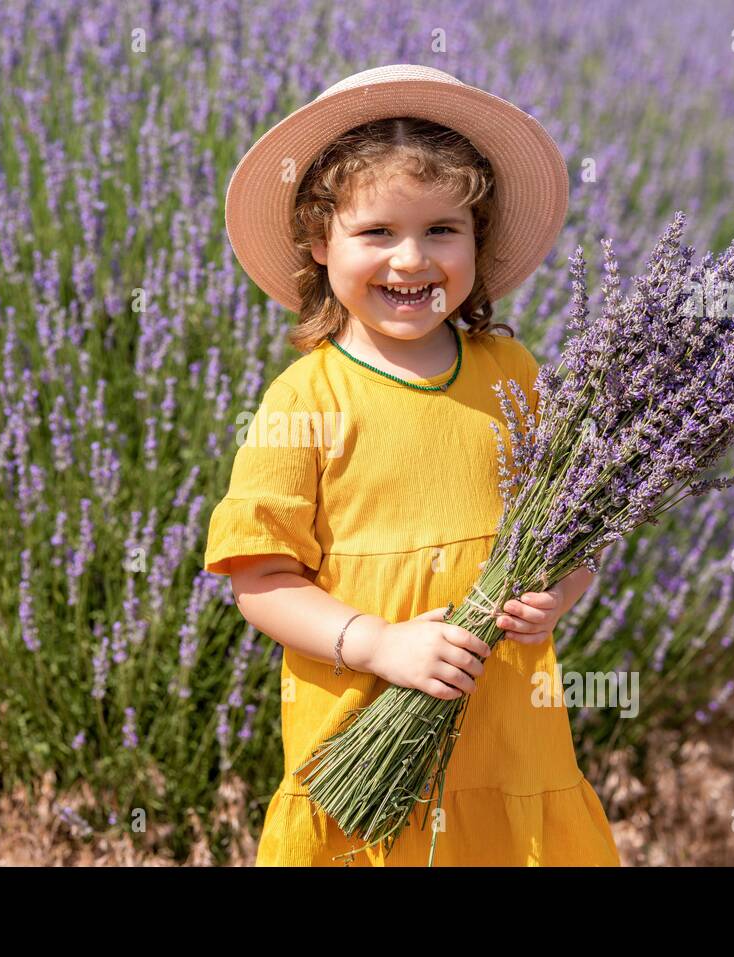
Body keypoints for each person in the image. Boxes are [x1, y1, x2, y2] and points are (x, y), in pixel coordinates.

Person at [205, 64, 621, 867]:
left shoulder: (513, 373)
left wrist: (559, 593)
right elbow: (259, 579)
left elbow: (574, 535)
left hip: (506, 746)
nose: (410, 259)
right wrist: (375, 643)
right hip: (363, 742)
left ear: (478, 239)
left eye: (441, 230)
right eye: (377, 233)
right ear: (320, 243)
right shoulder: (305, 396)